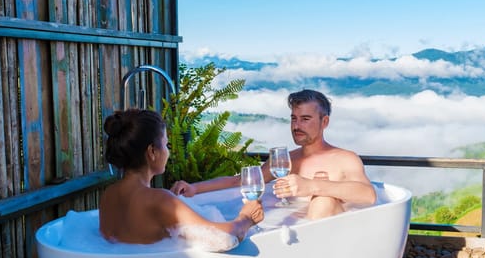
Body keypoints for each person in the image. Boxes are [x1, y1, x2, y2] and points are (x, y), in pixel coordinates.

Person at [171, 89, 377, 220]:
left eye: (305, 119)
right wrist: (194, 188)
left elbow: (368, 195)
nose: (296, 125)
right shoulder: (286, 161)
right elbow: (241, 182)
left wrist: (312, 186)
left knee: (323, 201)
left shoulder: (345, 159)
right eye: (294, 118)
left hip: (330, 242)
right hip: (292, 234)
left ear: (324, 122)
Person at [98, 109, 263, 245]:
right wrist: (246, 218)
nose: (168, 151)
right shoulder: (159, 200)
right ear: (152, 152)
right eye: (166, 144)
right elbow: (224, 237)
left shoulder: (108, 196)